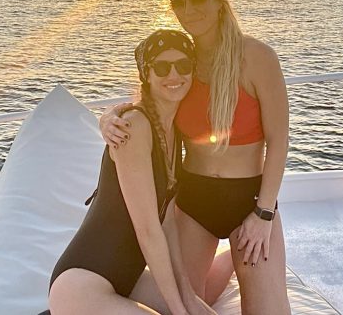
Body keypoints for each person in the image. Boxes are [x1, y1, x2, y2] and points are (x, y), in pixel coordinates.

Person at [101, 0, 291, 315]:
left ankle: (237, 258)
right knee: (181, 303)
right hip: (193, 202)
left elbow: (279, 141)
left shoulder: (257, 57)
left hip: (250, 201)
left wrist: (263, 214)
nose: (189, 10)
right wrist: (110, 116)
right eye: (179, 2)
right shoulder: (182, 62)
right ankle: (228, 262)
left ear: (219, 0)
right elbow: (149, 104)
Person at [47, 29, 216, 315]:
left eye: (183, 65)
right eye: (162, 67)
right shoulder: (133, 126)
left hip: (128, 278)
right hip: (82, 284)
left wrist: (186, 294)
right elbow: (148, 230)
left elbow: (167, 223)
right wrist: (177, 309)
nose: (174, 74)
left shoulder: (173, 132)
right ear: (146, 74)